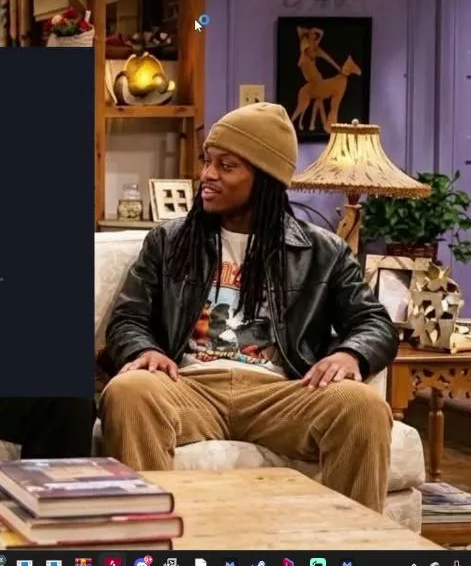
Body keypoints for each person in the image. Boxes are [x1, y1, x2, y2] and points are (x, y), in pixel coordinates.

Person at [100, 102, 397, 512]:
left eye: (227, 166)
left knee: (363, 406)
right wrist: (144, 349)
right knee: (127, 392)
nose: (208, 175)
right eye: (207, 161)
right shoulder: (169, 241)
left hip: (281, 392)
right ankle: (153, 539)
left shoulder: (322, 251)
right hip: (189, 386)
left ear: (265, 178)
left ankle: (355, 542)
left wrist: (351, 353)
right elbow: (128, 318)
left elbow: (374, 322)